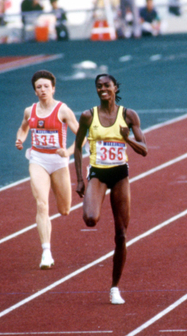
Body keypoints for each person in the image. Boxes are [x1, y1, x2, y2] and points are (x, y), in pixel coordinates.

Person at [74, 74, 148, 305]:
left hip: (120, 175)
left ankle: (115, 287)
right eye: (99, 87)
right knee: (90, 219)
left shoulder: (129, 115)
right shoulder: (88, 116)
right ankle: (91, 199)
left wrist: (128, 140)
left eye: (107, 86)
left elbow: (144, 150)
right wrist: (79, 179)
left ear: (115, 87)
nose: (102, 89)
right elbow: (77, 148)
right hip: (98, 172)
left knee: (121, 235)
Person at [15, 70, 80, 269]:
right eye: (39, 87)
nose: (43, 90)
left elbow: (82, 135)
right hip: (38, 159)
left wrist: (68, 152)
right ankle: (46, 252)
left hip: (58, 162)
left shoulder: (63, 110)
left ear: (53, 88)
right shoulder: (29, 110)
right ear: (35, 91)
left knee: (65, 210)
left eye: (46, 87)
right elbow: (23, 127)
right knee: (42, 204)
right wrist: (20, 139)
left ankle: (47, 249)